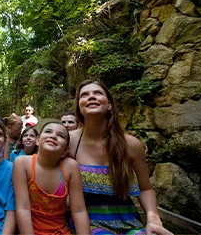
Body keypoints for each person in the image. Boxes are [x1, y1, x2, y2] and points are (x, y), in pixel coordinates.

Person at [69, 80, 173, 235]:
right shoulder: (69, 142)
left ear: (110, 105)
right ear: (79, 107)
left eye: (97, 93)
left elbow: (146, 189)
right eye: (84, 95)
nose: (91, 97)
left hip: (128, 220)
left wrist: (153, 219)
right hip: (86, 221)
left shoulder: (130, 144)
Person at [13, 119, 90, 235]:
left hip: (61, 231)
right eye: (48, 132)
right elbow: (22, 208)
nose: (53, 136)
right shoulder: (22, 163)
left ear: (65, 149)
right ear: (38, 140)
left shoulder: (70, 167)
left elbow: (79, 211)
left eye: (60, 135)